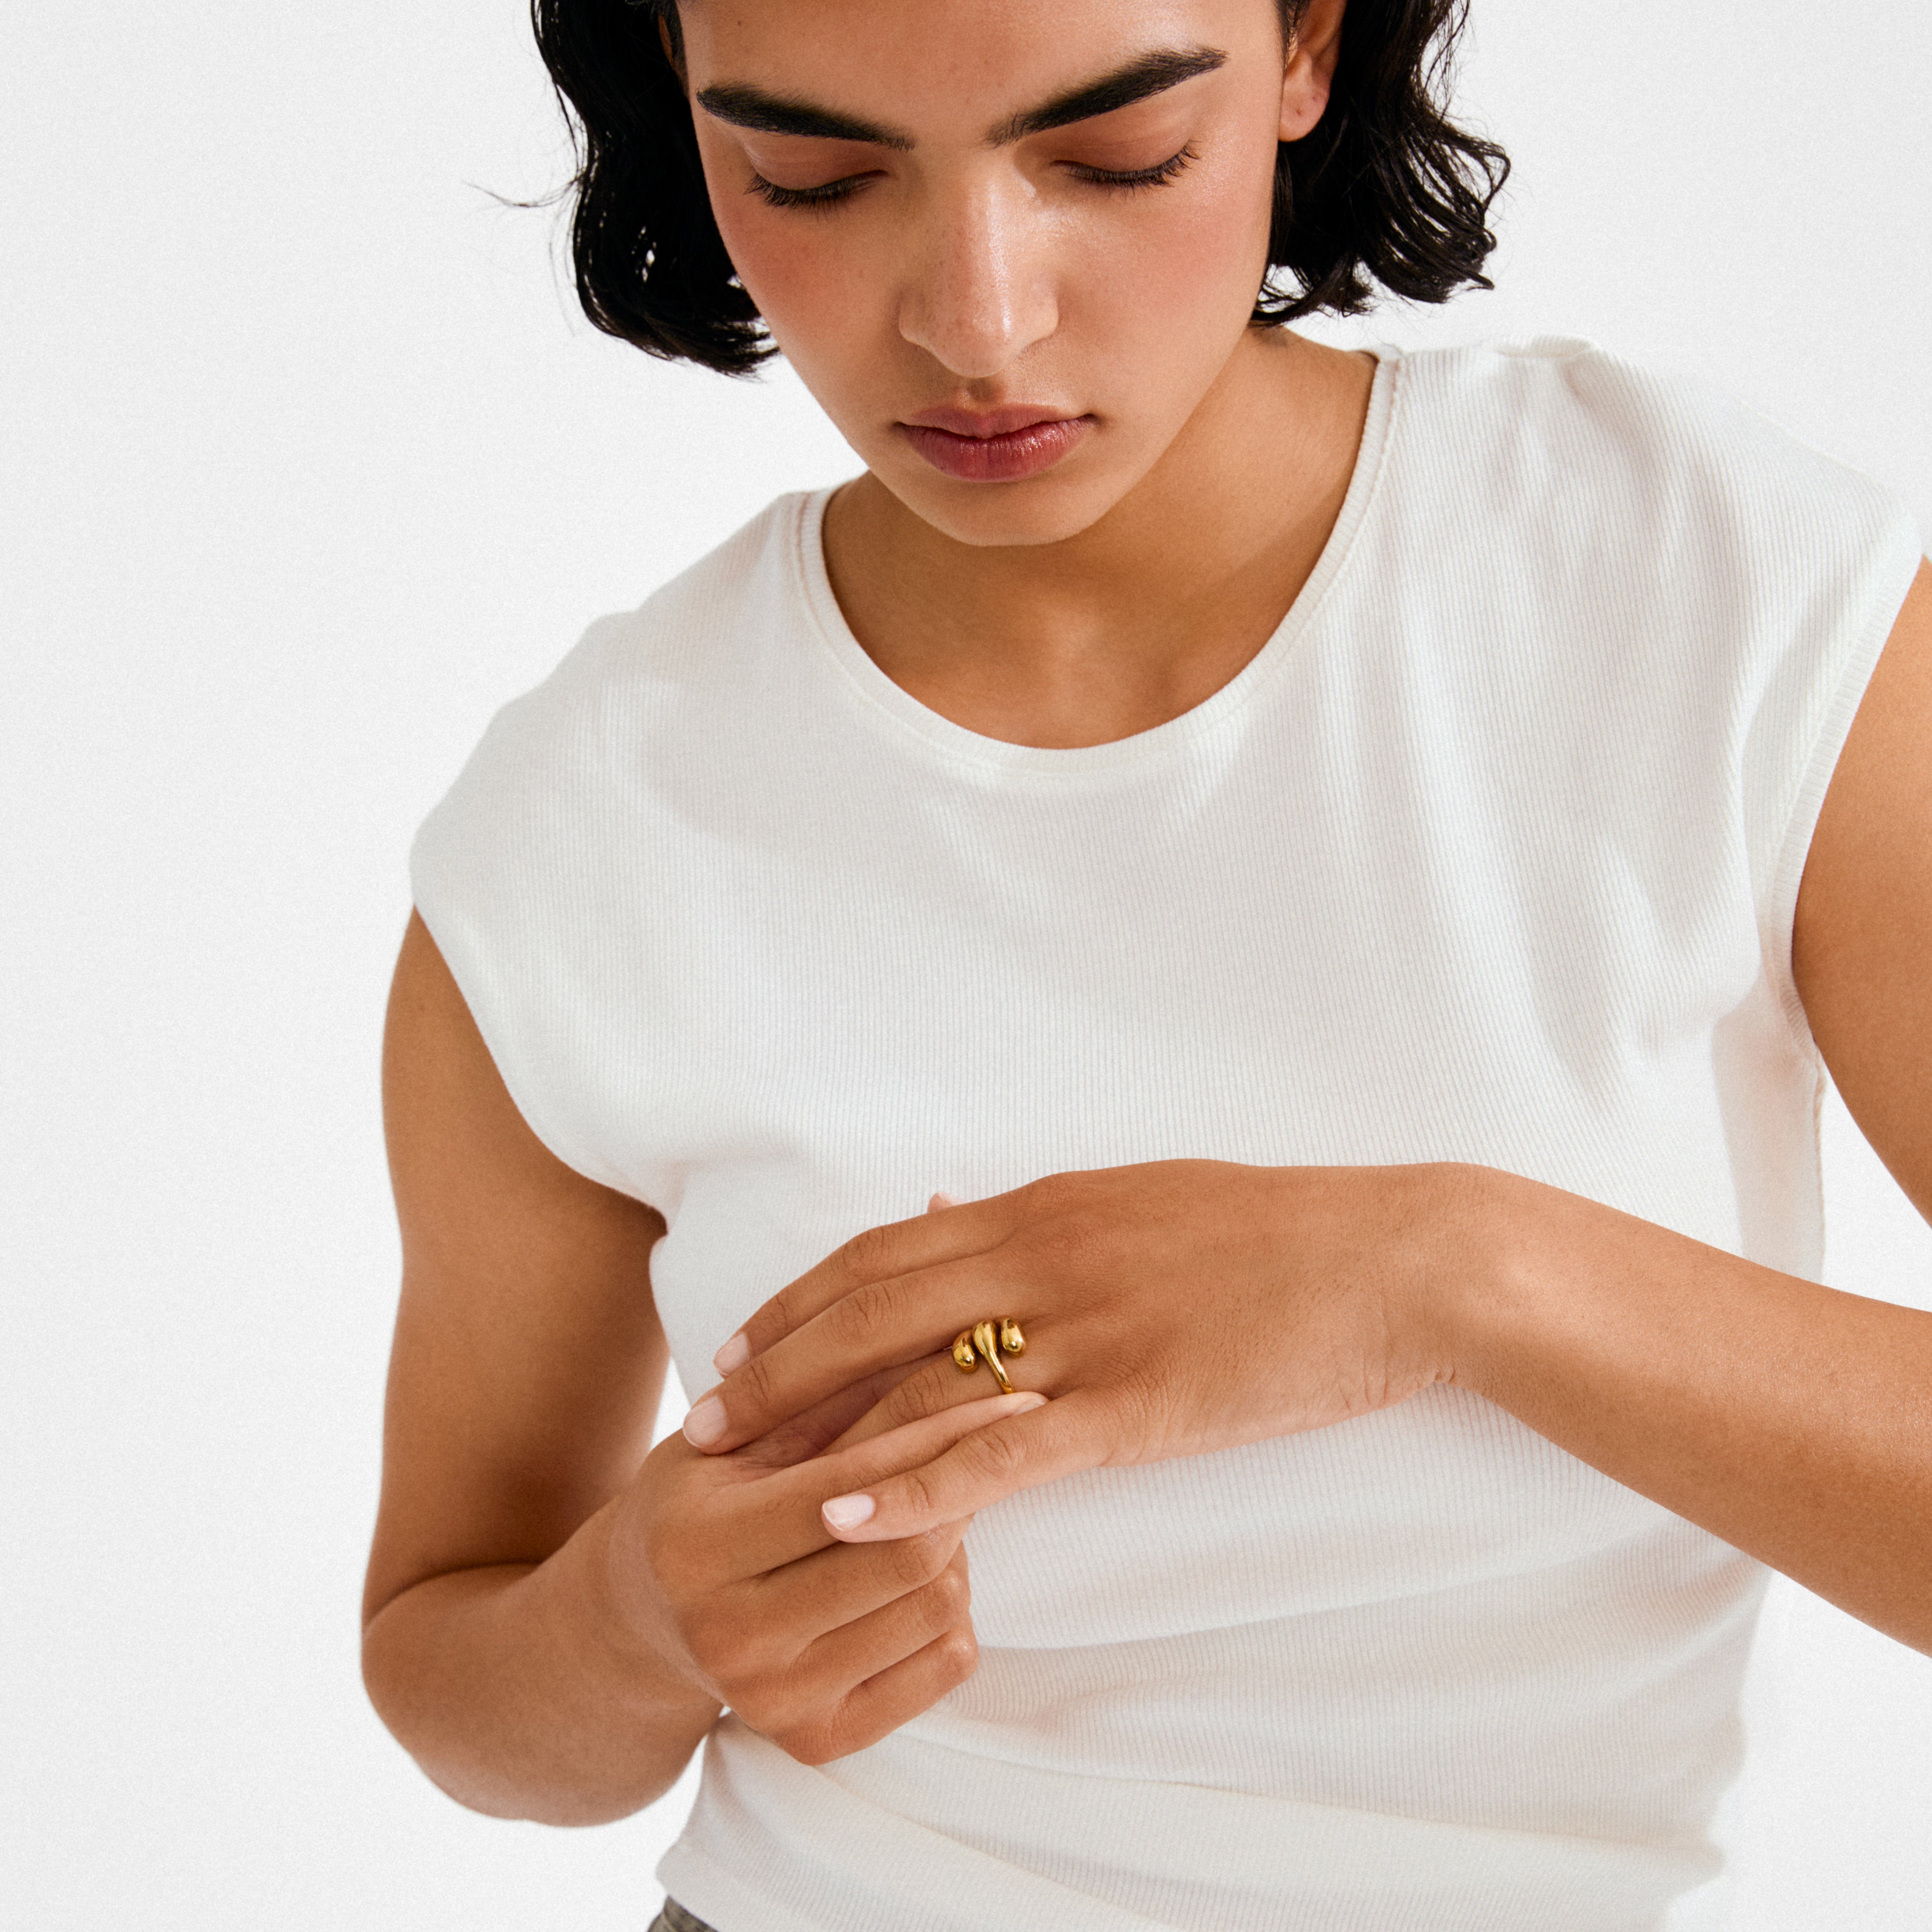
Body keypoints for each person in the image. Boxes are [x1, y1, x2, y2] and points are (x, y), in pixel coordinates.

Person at [359, 0, 1932, 1926]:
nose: (979, 320)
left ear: (1305, 49)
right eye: (815, 176)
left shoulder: (1706, 589)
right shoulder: (586, 817)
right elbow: (452, 1669)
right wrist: (635, 1615)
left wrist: (1447, 1273)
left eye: (1114, 157)